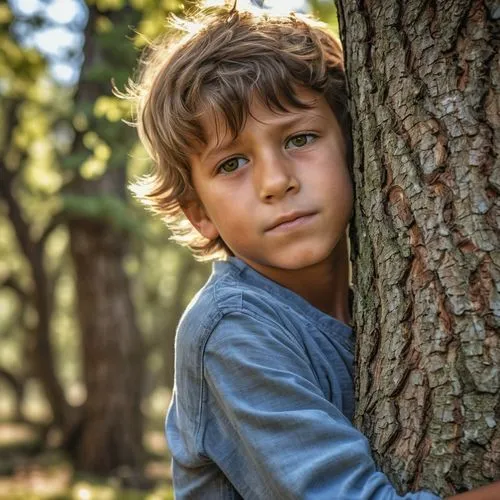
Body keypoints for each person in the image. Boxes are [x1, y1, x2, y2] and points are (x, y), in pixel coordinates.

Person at [128, 4, 500, 499]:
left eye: (300, 138)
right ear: (198, 210)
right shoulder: (233, 332)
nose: (277, 181)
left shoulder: (376, 303)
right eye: (232, 162)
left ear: (357, 146)